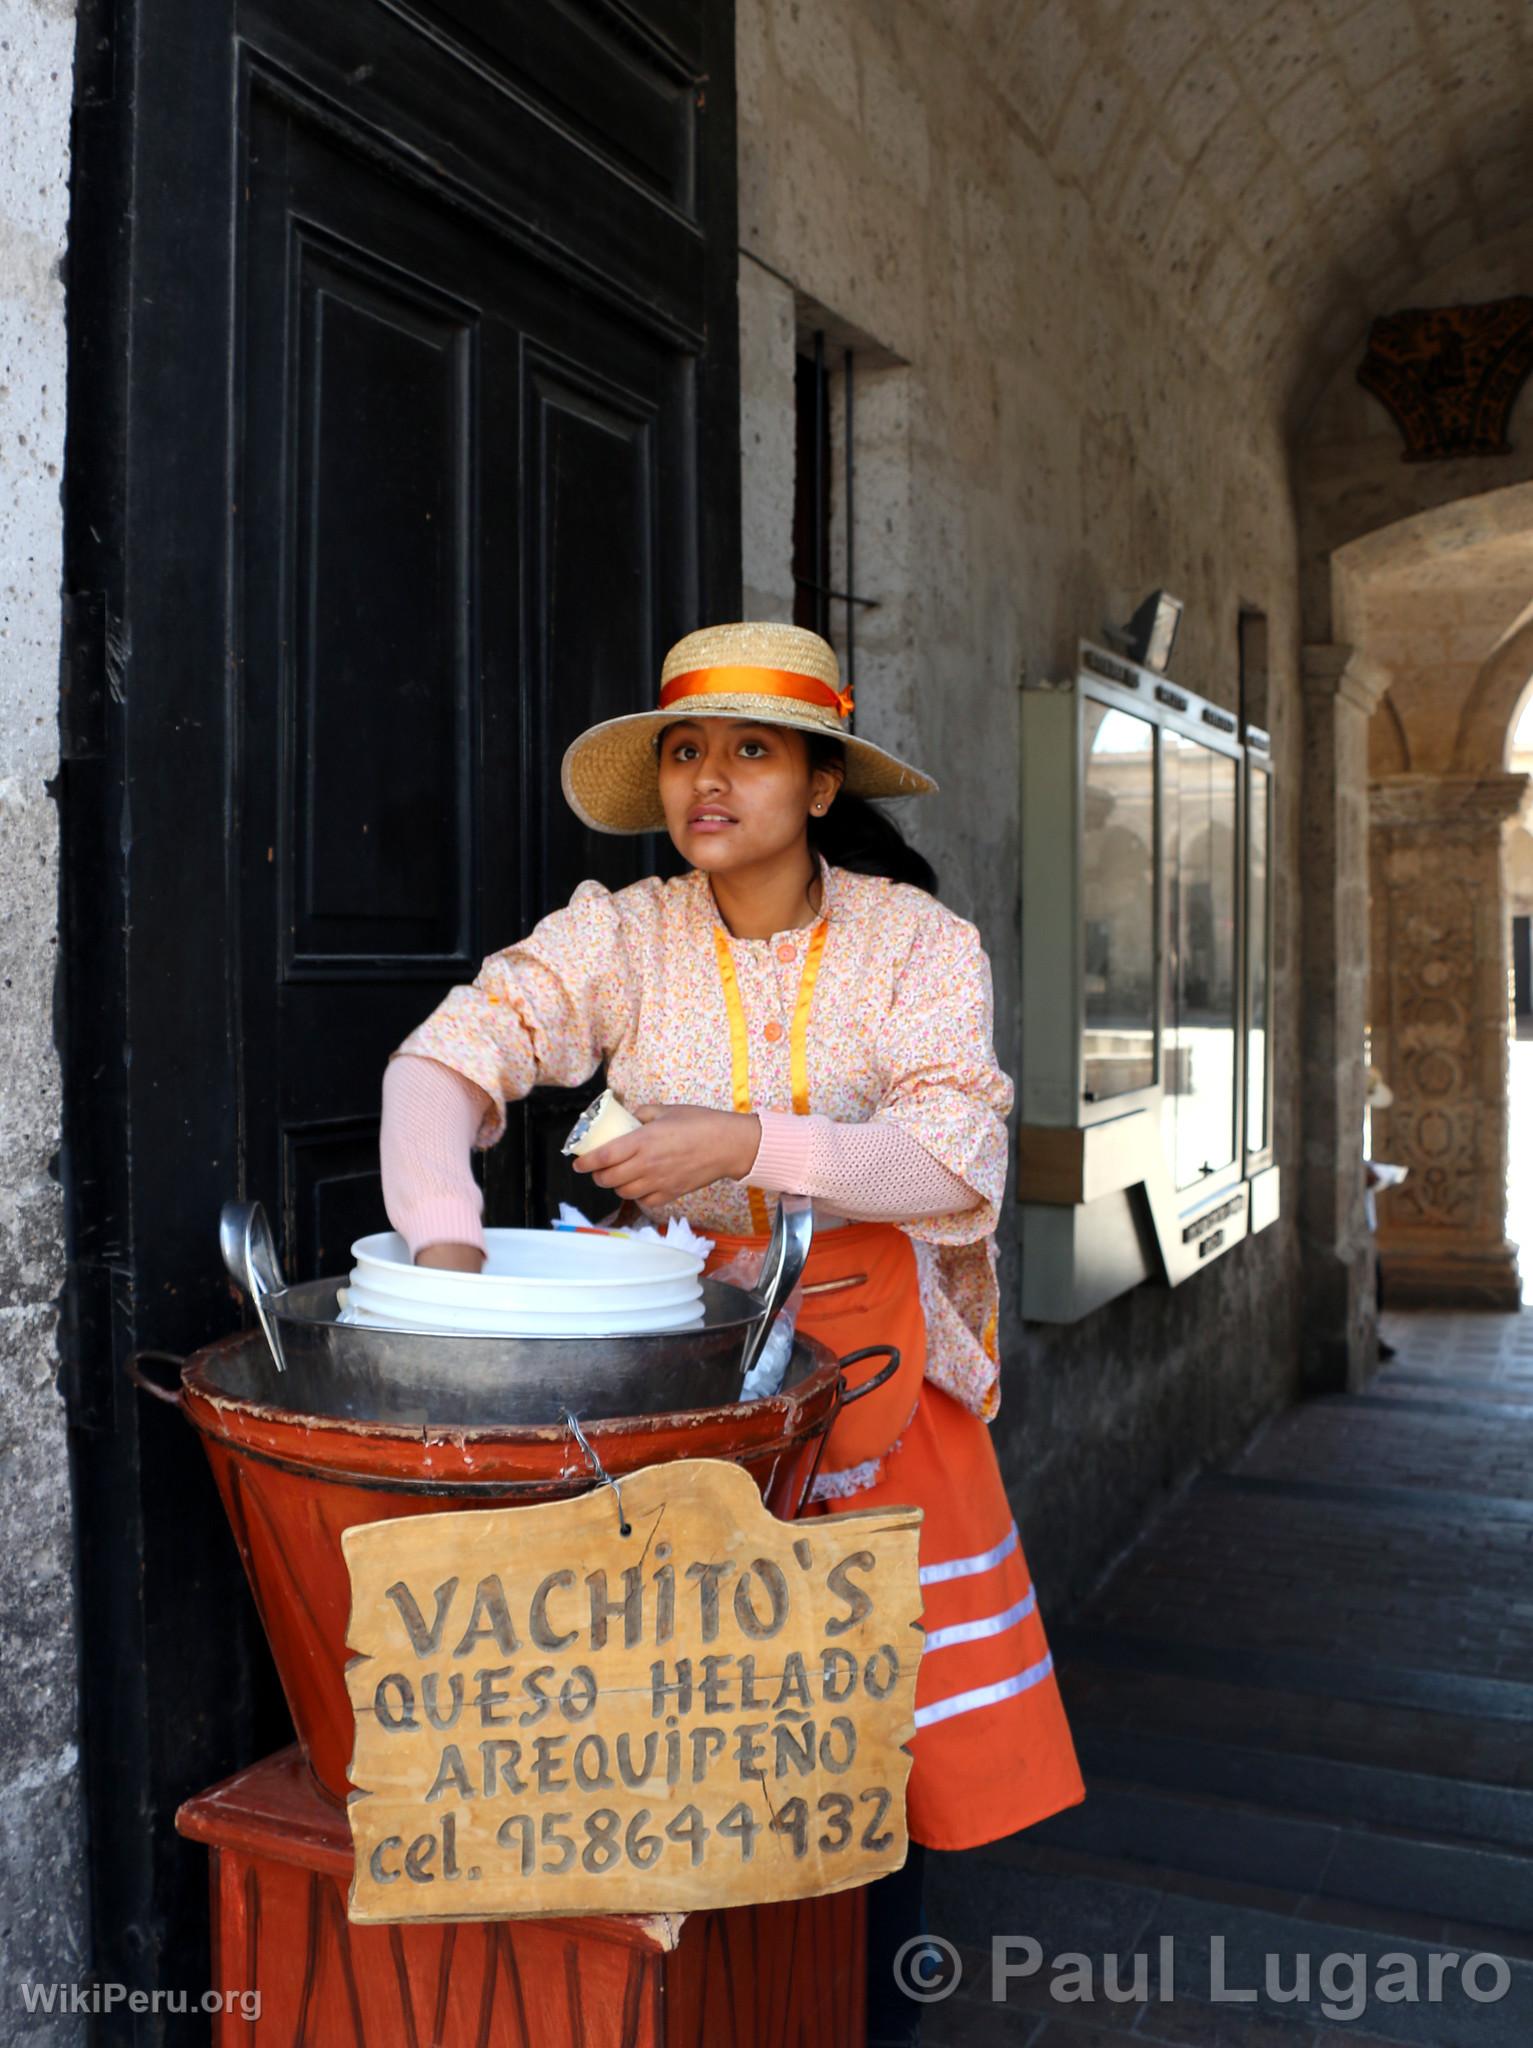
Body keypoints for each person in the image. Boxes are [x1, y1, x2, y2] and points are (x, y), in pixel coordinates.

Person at [378, 620, 1086, 2043]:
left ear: (821, 786)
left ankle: (861, 2002)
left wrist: (747, 1142)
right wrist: (440, 1250)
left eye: (751, 751)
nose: (709, 780)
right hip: (678, 1378)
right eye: (687, 751)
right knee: (691, 1716)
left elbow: (955, 1165)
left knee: (862, 1732)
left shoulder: (914, 945)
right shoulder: (622, 936)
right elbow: (445, 1057)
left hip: (879, 1380)